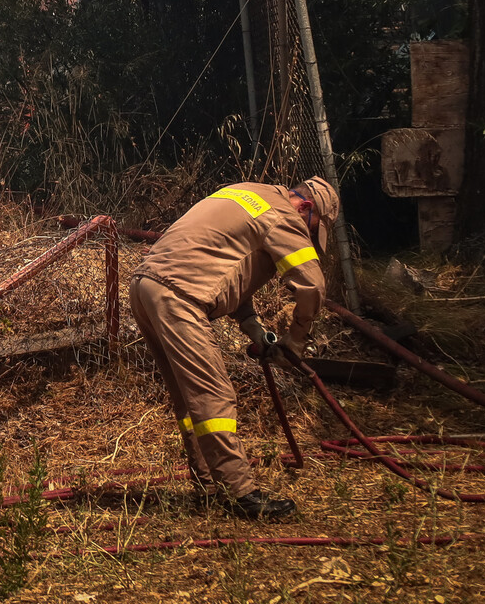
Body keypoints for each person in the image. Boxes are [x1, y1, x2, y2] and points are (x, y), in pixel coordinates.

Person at [129, 176, 341, 518]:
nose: (307, 236)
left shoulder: (246, 191)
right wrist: (296, 340)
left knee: (191, 401)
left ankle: (210, 488)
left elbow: (224, 266)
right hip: (180, 296)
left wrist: (253, 327)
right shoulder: (284, 214)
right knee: (214, 397)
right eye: (312, 229)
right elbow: (312, 287)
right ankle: (241, 495)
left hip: (145, 287)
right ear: (305, 207)